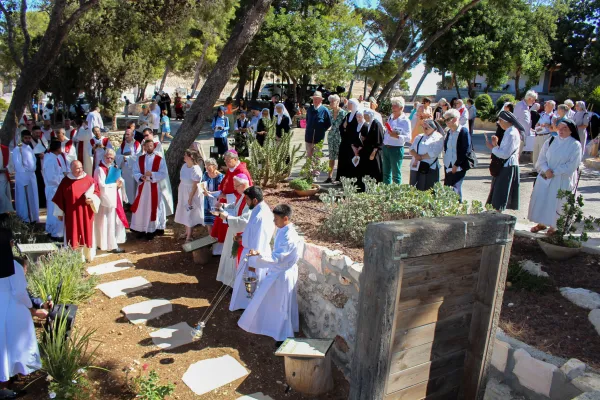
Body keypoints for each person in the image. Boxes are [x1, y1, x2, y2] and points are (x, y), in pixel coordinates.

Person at [238, 203, 301, 342]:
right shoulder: (282, 229)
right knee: (271, 300)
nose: (274, 222)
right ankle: (268, 326)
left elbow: (278, 257)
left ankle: (283, 336)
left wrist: (259, 255)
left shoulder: (290, 237)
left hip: (282, 274)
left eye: (276, 219)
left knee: (281, 304)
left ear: (285, 218)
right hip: (277, 271)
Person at [0, 229, 42, 397]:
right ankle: (5, 386)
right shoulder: (12, 266)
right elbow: (19, 292)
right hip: (11, 310)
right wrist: (31, 307)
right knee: (11, 347)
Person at [528, 120, 582, 235]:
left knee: (557, 202)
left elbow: (572, 165)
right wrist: (546, 169)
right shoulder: (551, 140)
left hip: (561, 178)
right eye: (560, 128)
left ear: (571, 130)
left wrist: (554, 172)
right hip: (546, 176)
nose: (561, 131)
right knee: (543, 199)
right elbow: (541, 157)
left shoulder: (575, 145)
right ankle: (541, 223)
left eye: (565, 129)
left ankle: (555, 226)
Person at [229, 186, 275, 311]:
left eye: (247, 199)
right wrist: (242, 238)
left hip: (253, 256)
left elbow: (258, 241)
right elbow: (252, 232)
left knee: (252, 282)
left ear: (254, 200)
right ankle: (244, 305)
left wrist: (253, 264)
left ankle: (250, 308)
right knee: (243, 283)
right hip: (249, 251)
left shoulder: (261, 216)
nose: (246, 202)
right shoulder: (258, 210)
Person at [52, 161, 100, 262]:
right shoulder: (66, 181)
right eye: (78, 168)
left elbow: (96, 192)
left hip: (86, 213)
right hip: (72, 214)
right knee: (73, 233)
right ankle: (75, 257)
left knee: (87, 232)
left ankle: (88, 255)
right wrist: (60, 213)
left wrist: (92, 200)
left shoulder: (89, 179)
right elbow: (59, 197)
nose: (80, 170)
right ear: (71, 169)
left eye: (81, 167)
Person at [210, 151, 252, 254]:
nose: (226, 162)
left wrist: (225, 197)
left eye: (228, 160)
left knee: (228, 226)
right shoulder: (231, 168)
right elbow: (226, 182)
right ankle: (222, 248)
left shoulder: (241, 171)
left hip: (235, 202)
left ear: (235, 159)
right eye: (225, 160)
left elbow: (243, 192)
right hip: (227, 201)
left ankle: (227, 249)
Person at [214, 174, 251, 286]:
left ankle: (234, 284)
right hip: (233, 229)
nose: (235, 188)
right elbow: (236, 207)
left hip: (240, 233)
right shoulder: (242, 195)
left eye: (237, 186)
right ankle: (229, 281)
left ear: (244, 185)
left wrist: (226, 217)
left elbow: (244, 221)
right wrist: (224, 206)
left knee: (235, 258)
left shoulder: (249, 198)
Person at [130, 139, 169, 240]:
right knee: (141, 207)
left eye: (150, 146)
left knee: (154, 207)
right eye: (146, 146)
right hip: (143, 187)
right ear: (144, 147)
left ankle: (152, 229)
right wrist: (140, 176)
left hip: (154, 186)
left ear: (153, 146)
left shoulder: (159, 159)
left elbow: (163, 173)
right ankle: (140, 229)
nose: (148, 148)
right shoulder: (140, 159)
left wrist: (152, 174)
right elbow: (135, 171)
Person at [485, 111, 523, 211]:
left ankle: (497, 214)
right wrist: (496, 145)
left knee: (501, 192)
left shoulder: (511, 133)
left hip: (507, 166)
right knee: (498, 191)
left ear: (506, 121)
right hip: (506, 165)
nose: (499, 123)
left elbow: (505, 154)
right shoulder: (510, 132)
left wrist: (492, 148)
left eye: (500, 120)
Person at [93, 149, 127, 254]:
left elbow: (120, 179)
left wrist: (120, 183)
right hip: (105, 200)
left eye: (112, 158)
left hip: (113, 198)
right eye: (108, 157)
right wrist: (115, 185)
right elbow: (101, 186)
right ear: (104, 156)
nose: (109, 159)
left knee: (111, 222)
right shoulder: (99, 169)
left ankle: (111, 243)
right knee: (105, 222)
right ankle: (106, 244)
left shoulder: (113, 167)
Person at [174, 150, 204, 242]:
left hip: (191, 193)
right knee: (184, 211)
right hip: (183, 191)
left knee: (190, 212)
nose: (184, 157)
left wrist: (190, 197)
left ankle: (189, 236)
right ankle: (187, 232)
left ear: (191, 157)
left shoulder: (196, 169)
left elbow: (195, 185)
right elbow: (182, 179)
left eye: (186, 155)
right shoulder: (184, 166)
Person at [43, 140, 69, 240]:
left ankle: (52, 230)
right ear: (58, 148)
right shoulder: (50, 160)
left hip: (56, 188)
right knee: (55, 211)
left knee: (54, 210)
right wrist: (63, 176)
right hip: (53, 188)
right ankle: (56, 233)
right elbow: (51, 178)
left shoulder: (54, 158)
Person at [443, 109, 471, 201]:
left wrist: (456, 164)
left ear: (455, 119)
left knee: (456, 187)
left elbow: (465, 150)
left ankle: (458, 207)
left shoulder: (463, 131)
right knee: (447, 187)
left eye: (447, 120)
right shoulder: (448, 132)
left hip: (459, 164)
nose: (446, 122)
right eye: (445, 120)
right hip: (448, 163)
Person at [409, 119, 444, 191]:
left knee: (428, 188)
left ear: (433, 128)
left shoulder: (438, 137)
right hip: (416, 165)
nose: (424, 130)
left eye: (426, 128)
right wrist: (416, 156)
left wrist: (421, 157)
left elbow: (434, 152)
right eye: (423, 127)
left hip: (429, 167)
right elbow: (411, 149)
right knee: (414, 186)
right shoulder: (419, 136)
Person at [383, 97, 411, 185]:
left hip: (396, 149)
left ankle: (396, 192)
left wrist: (397, 136)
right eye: (392, 105)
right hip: (386, 147)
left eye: (395, 106)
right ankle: (386, 191)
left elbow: (408, 137)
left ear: (401, 108)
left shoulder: (405, 121)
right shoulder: (390, 118)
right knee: (386, 172)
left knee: (396, 173)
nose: (393, 108)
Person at [12, 131, 39, 223]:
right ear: (22, 138)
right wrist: (24, 175)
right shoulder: (17, 149)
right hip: (23, 176)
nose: (27, 140)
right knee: (23, 197)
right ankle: (25, 218)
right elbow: (17, 164)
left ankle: (33, 217)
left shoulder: (29, 147)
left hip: (31, 175)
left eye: (29, 138)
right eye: (26, 138)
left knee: (33, 196)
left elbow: (33, 161)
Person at [355, 110, 383, 190]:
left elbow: (378, 140)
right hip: (367, 150)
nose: (365, 117)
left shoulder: (376, 124)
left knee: (374, 171)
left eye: (366, 115)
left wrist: (374, 152)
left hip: (374, 152)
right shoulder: (370, 124)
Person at [336, 99, 361, 182]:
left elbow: (358, 129)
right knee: (343, 159)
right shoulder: (348, 115)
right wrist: (344, 127)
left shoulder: (358, 115)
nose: (348, 105)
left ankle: (351, 180)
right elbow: (342, 127)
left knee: (351, 160)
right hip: (345, 141)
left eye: (350, 104)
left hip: (353, 142)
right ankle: (342, 179)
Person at [116, 128, 142, 205]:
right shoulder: (123, 144)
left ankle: (133, 204)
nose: (126, 136)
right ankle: (125, 203)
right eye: (125, 134)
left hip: (133, 170)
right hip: (124, 170)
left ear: (132, 135)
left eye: (128, 134)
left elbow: (138, 156)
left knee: (133, 188)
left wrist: (127, 157)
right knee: (125, 187)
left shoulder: (137, 144)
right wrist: (122, 157)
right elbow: (117, 155)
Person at [325, 95, 347, 183]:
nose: (330, 103)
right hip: (331, 137)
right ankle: (329, 176)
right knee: (331, 157)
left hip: (340, 137)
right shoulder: (329, 112)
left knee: (340, 157)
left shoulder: (343, 113)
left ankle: (340, 177)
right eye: (330, 102)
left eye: (332, 101)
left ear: (337, 102)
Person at [304, 91, 332, 158]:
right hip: (309, 136)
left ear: (320, 100)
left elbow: (329, 123)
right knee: (308, 155)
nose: (315, 100)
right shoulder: (310, 109)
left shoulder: (324, 110)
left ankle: (316, 169)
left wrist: (321, 129)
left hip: (318, 137)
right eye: (314, 99)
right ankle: (308, 168)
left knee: (317, 157)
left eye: (317, 99)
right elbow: (307, 120)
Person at [201, 158, 224, 232]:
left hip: (216, 201)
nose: (206, 168)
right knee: (208, 221)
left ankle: (217, 238)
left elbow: (222, 191)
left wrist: (211, 193)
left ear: (214, 166)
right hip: (207, 201)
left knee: (216, 220)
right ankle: (210, 236)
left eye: (208, 166)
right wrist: (203, 190)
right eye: (205, 166)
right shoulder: (205, 174)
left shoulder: (220, 176)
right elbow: (202, 184)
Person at [514, 90, 538, 154]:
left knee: (519, 152)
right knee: (516, 153)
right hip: (519, 134)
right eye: (534, 100)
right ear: (530, 98)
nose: (534, 102)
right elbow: (515, 119)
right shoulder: (520, 105)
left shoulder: (526, 106)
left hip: (524, 135)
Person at [533, 100, 555, 166]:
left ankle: (541, 169)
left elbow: (554, 128)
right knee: (535, 152)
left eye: (547, 104)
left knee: (542, 153)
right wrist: (537, 125)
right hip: (538, 134)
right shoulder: (542, 114)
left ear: (551, 106)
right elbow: (538, 123)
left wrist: (547, 125)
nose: (545, 106)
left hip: (545, 135)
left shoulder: (553, 116)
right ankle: (535, 169)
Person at [30, 126, 47, 208]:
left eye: (39, 133)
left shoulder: (40, 140)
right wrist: (37, 156)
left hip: (42, 166)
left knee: (42, 185)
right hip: (35, 168)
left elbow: (45, 150)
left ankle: (43, 203)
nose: (37, 134)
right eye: (36, 133)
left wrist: (44, 154)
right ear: (32, 132)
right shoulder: (29, 142)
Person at [0, 143, 14, 216]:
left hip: (2, 176)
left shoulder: (5, 149)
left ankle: (3, 213)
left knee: (2, 193)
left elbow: (11, 164)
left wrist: (6, 169)